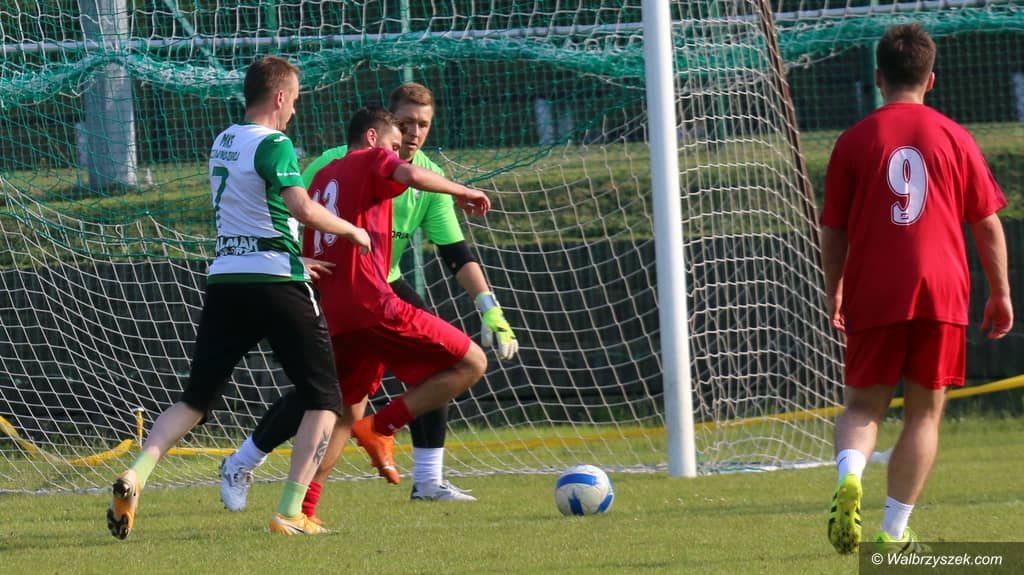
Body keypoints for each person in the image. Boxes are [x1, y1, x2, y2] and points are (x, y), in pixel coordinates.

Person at [106, 56, 371, 539]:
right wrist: (352, 230)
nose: (295, 109)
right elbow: (301, 208)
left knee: (195, 399)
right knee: (325, 399)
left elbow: (251, 212)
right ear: (279, 97)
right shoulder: (275, 144)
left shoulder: (223, 140)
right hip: (276, 283)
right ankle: (290, 510)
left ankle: (137, 473)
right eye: (295, 99)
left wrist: (288, 253)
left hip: (227, 281)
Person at [220, 83, 518, 514]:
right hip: (364, 297)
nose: (413, 134)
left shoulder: (333, 170)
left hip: (345, 299)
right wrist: (463, 190)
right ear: (381, 131)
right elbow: (290, 212)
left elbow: (454, 251)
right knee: (468, 363)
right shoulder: (374, 160)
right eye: (405, 126)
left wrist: (489, 307)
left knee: (340, 406)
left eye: (423, 125)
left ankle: (304, 509)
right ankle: (380, 428)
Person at [821, 24, 1012, 555]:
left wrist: (834, 289)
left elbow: (833, 229)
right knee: (924, 413)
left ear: (878, 78)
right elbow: (987, 223)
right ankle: (892, 532)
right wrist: (1000, 292)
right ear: (931, 80)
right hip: (941, 290)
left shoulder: (854, 141)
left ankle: (849, 476)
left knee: (863, 408)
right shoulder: (955, 136)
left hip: (875, 287)